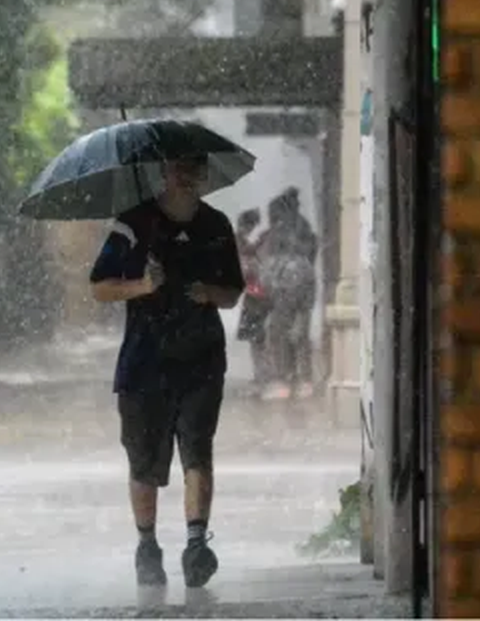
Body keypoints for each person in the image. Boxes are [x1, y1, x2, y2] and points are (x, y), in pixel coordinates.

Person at [89, 156, 245, 596]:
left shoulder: (216, 226)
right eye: (179, 168)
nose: (188, 177)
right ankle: (147, 545)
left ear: (204, 175)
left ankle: (197, 544)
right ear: (164, 174)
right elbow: (99, 286)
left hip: (201, 361)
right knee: (144, 460)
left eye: (194, 169)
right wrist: (141, 285)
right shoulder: (133, 224)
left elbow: (234, 293)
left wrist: (208, 293)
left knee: (198, 450)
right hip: (144, 364)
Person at [258, 188, 319, 400]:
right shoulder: (304, 227)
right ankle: (304, 379)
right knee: (300, 333)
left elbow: (268, 263)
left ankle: (284, 380)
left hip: (286, 286)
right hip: (305, 284)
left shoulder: (280, 231)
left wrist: (267, 286)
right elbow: (312, 252)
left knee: (279, 333)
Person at [233, 208, 271, 388]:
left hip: (254, 295)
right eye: (252, 224)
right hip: (256, 295)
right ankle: (262, 376)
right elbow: (245, 266)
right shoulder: (239, 241)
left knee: (257, 339)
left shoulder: (243, 242)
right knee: (258, 339)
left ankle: (261, 375)